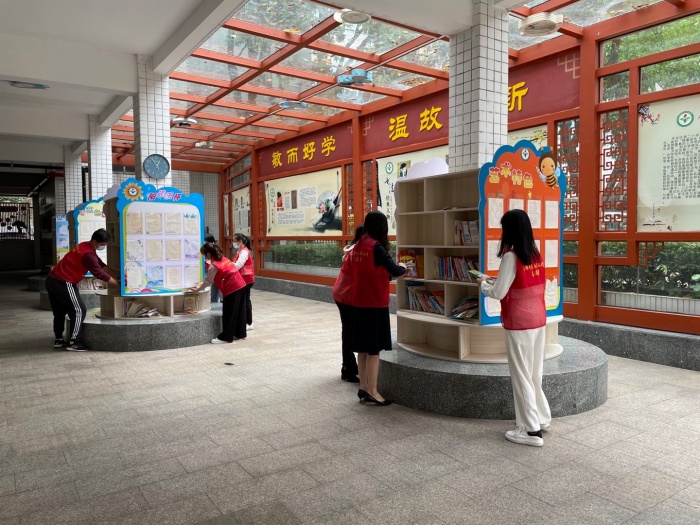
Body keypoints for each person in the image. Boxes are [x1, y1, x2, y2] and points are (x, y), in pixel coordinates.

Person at [477, 209, 551, 447]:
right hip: (538, 320)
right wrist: (495, 281)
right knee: (534, 374)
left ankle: (531, 431)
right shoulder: (535, 254)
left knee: (521, 376)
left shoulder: (511, 256)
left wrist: (483, 284)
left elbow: (499, 293)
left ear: (509, 230)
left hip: (519, 323)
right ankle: (541, 418)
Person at [348, 212, 406, 405]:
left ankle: (363, 387)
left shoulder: (358, 245)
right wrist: (403, 267)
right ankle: (373, 391)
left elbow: (369, 272)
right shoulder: (376, 247)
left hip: (359, 303)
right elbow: (395, 270)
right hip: (374, 304)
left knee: (363, 349)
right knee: (374, 350)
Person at [46, 228, 120, 351]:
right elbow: (99, 273)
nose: (103, 247)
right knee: (79, 310)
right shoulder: (88, 255)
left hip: (52, 279)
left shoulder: (85, 245)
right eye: (103, 244)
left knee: (59, 311)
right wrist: (118, 285)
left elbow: (100, 264)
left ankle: (58, 339)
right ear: (95, 242)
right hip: (64, 282)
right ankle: (74, 342)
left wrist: (116, 275)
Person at [190, 242, 247, 344]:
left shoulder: (214, 266)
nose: (204, 257)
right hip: (241, 284)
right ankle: (240, 333)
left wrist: (197, 290)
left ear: (208, 254)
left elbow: (208, 282)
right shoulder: (223, 259)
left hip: (232, 288)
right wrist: (202, 284)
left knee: (229, 313)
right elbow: (210, 279)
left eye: (204, 255)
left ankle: (226, 337)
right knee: (239, 311)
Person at [332, 225, 364, 383]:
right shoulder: (358, 251)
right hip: (346, 296)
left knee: (348, 331)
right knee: (349, 332)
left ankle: (349, 367)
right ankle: (348, 368)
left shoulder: (352, 248)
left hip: (341, 293)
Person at [232, 233, 255, 331]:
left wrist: (228, 265)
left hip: (246, 280)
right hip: (243, 279)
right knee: (244, 300)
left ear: (240, 241)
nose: (233, 243)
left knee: (246, 301)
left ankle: (249, 323)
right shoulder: (240, 251)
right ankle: (244, 321)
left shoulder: (244, 252)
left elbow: (238, 265)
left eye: (234, 241)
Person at [204, 234, 222, 303]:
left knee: (221, 294)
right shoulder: (207, 247)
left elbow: (208, 281)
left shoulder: (215, 249)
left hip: (219, 275)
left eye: (205, 241)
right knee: (213, 294)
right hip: (214, 275)